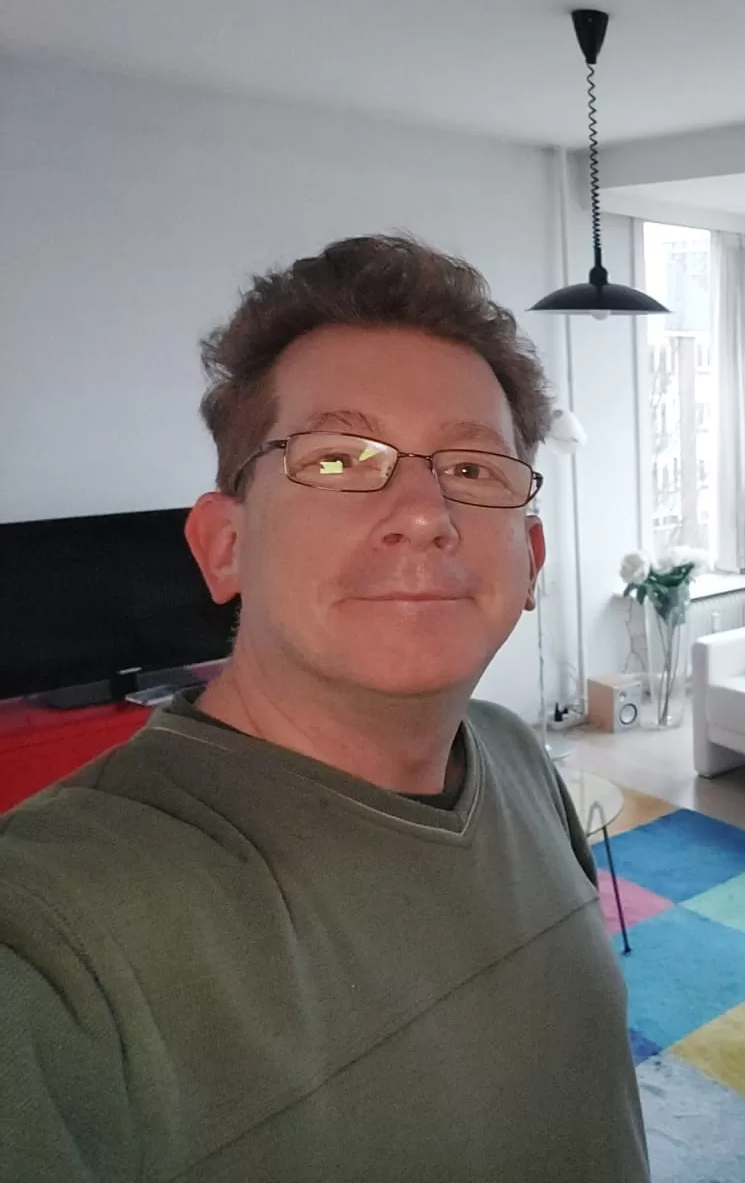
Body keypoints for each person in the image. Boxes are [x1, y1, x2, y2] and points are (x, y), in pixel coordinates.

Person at [0, 236, 648, 1181]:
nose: (424, 512)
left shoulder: (515, 757)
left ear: (532, 562)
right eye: (340, 460)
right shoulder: (55, 934)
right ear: (224, 547)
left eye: (473, 470)